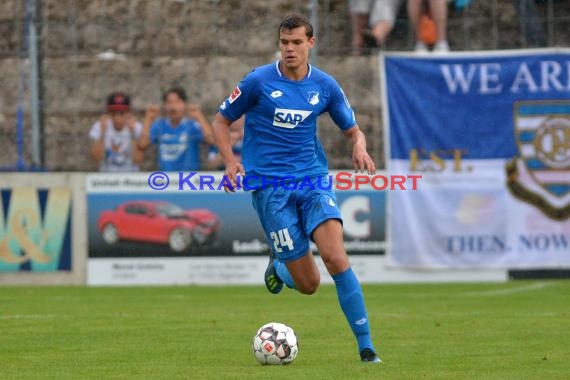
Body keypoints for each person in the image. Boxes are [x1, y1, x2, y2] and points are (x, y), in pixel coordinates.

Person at [212, 14, 381, 363]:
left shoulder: (325, 86)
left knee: (336, 257)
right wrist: (231, 162)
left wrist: (359, 146)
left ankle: (367, 349)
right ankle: (280, 266)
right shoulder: (258, 81)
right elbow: (222, 120)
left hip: (313, 180)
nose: (290, 49)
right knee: (309, 284)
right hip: (271, 189)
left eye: (297, 43)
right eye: (284, 42)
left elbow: (353, 129)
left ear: (310, 44)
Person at [139, 86, 214, 171]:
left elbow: (212, 140)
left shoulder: (193, 125)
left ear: (185, 104)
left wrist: (199, 116)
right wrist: (148, 119)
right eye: (169, 102)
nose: (173, 106)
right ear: (164, 106)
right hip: (166, 179)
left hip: (189, 178)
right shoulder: (159, 125)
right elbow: (142, 144)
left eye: (177, 102)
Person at [89, 92, 143, 172]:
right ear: (108, 113)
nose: (117, 118)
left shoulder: (137, 127)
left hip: (131, 179)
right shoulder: (100, 126)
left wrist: (133, 134)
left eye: (122, 113)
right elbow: (96, 158)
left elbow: (137, 160)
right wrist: (102, 133)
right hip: (107, 179)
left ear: (129, 113)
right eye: (113, 113)